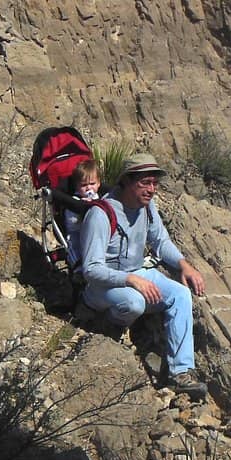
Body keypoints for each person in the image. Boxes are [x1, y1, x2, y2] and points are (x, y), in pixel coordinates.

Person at [76, 153, 208, 399]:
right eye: (145, 183)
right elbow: (91, 269)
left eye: (154, 184)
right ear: (126, 181)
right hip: (102, 284)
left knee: (180, 294)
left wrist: (184, 265)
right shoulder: (101, 214)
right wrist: (130, 280)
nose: (151, 190)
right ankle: (107, 325)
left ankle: (181, 372)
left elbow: (160, 241)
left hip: (135, 271)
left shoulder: (147, 208)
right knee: (133, 302)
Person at [63, 159, 101, 267]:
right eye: (84, 185)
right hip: (77, 231)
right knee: (74, 245)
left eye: (92, 184)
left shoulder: (99, 197)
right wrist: (82, 207)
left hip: (95, 230)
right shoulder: (75, 199)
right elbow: (72, 221)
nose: (89, 188)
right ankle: (77, 267)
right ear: (77, 186)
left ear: (98, 184)